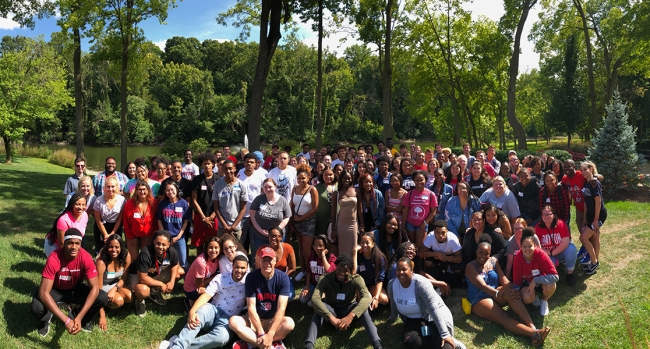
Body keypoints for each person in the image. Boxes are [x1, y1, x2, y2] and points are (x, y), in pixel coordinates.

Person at [465, 235, 550, 345]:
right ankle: (535, 334)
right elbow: (483, 286)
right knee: (503, 317)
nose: (483, 256)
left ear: (490, 253)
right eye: (480, 252)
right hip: (479, 299)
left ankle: (532, 326)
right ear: (476, 251)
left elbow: (504, 280)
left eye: (486, 253)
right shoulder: (470, 266)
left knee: (512, 293)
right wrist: (502, 295)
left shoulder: (492, 262)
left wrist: (514, 290)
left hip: (495, 293)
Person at [159, 255, 249, 349]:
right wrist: (192, 311)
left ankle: (176, 344)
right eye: (237, 267)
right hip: (213, 310)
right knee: (199, 315)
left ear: (247, 268)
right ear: (232, 266)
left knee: (222, 338)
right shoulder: (221, 277)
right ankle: (177, 347)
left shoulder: (249, 282)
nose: (239, 270)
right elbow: (206, 295)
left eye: (243, 268)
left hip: (228, 320)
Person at [32, 228, 109, 336]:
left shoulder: (86, 257)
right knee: (37, 307)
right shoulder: (54, 258)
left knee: (102, 297)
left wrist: (79, 317)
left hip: (74, 288)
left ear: (80, 244)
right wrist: (66, 321)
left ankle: (79, 317)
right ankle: (46, 319)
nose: (74, 247)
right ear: (64, 243)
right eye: (70, 243)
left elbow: (95, 288)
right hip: (56, 289)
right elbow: (43, 293)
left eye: (77, 243)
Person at [305, 254, 382, 349]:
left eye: (345, 271)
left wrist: (351, 315)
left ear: (350, 271)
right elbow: (315, 298)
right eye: (339, 269)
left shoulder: (356, 279)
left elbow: (366, 297)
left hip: (349, 310)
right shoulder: (325, 278)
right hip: (332, 310)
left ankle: (377, 344)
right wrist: (331, 318)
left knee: (363, 309)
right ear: (335, 267)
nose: (341, 273)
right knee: (319, 308)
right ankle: (309, 345)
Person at [387, 258, 465, 349]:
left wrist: (445, 334)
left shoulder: (421, 284)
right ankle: (434, 338)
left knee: (445, 345)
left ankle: (452, 341)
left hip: (433, 316)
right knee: (411, 341)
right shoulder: (392, 285)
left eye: (404, 269)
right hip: (413, 320)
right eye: (398, 270)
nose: (401, 273)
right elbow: (393, 302)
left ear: (412, 270)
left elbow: (433, 308)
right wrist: (393, 317)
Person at [229, 247, 295, 349]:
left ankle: (251, 342)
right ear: (259, 261)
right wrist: (260, 333)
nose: (267, 263)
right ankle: (271, 344)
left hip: (273, 320)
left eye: (270, 260)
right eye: (264, 260)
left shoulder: (283, 278)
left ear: (275, 261)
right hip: (254, 319)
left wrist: (270, 333)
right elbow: (251, 307)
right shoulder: (251, 277)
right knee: (233, 322)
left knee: (289, 323)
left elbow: (281, 308)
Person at [129, 230, 181, 317]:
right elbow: (142, 278)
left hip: (154, 273)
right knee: (143, 290)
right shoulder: (145, 254)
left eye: (164, 244)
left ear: (168, 244)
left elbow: (175, 265)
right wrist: (161, 284)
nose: (160, 247)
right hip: (137, 276)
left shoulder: (172, 252)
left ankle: (154, 292)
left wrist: (172, 281)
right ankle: (139, 301)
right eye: (158, 243)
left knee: (180, 273)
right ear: (153, 242)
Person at [512, 229, 559, 316]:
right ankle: (534, 298)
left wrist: (536, 280)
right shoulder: (518, 258)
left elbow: (555, 277)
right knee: (527, 298)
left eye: (530, 246)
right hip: (527, 283)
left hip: (541, 281)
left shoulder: (541, 254)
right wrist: (516, 292)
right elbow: (517, 279)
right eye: (524, 246)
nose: (527, 249)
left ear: (535, 245)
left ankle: (544, 301)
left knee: (551, 285)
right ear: (520, 246)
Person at [96, 234, 132, 332]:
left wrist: (115, 288)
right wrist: (102, 316)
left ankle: (112, 298)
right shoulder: (102, 262)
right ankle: (104, 307)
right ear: (107, 247)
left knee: (129, 296)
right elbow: (97, 291)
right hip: (101, 286)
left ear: (121, 247)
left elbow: (124, 277)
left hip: (115, 284)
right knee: (119, 301)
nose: (114, 250)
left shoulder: (126, 256)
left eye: (117, 247)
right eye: (111, 247)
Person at [290, 164, 319, 282]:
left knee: (307, 250)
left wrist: (300, 219)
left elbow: (315, 209)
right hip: (296, 221)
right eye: (299, 178)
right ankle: (302, 270)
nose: (301, 180)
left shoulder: (312, 189)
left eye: (303, 178)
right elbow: (292, 204)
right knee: (300, 248)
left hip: (308, 222)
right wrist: (292, 218)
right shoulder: (294, 189)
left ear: (309, 177)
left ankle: (310, 272)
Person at [250, 178, 292, 254]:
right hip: (261, 236)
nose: (268, 189)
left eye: (270, 187)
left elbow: (287, 217)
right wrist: (260, 230)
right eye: (265, 187)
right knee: (262, 256)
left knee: (277, 256)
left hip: (277, 237)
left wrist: (277, 230)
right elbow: (252, 216)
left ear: (275, 186)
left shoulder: (282, 200)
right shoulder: (258, 199)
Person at [579, 161, 607, 274]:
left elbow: (598, 202)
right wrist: (585, 217)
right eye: (582, 170)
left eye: (585, 169)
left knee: (583, 238)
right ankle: (594, 262)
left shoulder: (594, 183)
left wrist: (596, 220)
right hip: (590, 215)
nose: (583, 172)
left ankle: (594, 262)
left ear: (591, 169)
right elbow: (586, 202)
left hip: (599, 214)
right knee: (595, 237)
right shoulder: (586, 183)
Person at [157, 181, 192, 270]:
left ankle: (186, 282)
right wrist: (164, 235)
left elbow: (185, 221)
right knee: (165, 261)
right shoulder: (162, 203)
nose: (170, 192)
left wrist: (179, 236)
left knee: (183, 262)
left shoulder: (183, 203)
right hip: (166, 238)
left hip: (179, 237)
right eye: (167, 190)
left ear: (177, 190)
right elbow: (159, 220)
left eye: (172, 189)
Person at [255, 227, 297, 299]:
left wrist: (282, 280)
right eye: (271, 235)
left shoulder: (288, 248)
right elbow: (258, 269)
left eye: (276, 236)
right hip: (266, 278)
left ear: (281, 237)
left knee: (290, 296)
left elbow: (293, 269)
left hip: (284, 277)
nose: (273, 238)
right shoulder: (261, 249)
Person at [238, 153, 267, 255]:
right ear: (244, 163)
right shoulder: (239, 174)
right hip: (242, 214)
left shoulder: (261, 176)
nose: (249, 164)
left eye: (251, 162)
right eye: (247, 162)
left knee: (255, 241)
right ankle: (243, 262)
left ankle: (255, 263)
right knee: (242, 241)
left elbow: (263, 194)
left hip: (256, 214)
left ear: (255, 164)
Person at [191, 152, 219, 256]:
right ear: (201, 165)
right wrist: (203, 217)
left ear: (213, 164)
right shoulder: (197, 180)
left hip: (214, 215)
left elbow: (220, 201)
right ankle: (199, 260)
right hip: (200, 215)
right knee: (199, 242)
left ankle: (214, 261)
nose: (206, 165)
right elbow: (194, 200)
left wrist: (211, 217)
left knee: (214, 240)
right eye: (204, 163)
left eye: (209, 163)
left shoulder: (218, 180)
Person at [212, 159, 248, 240]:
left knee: (236, 250)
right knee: (222, 250)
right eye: (226, 169)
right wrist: (225, 226)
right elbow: (216, 208)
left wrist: (233, 226)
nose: (228, 171)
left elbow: (243, 208)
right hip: (222, 227)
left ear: (234, 169)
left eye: (230, 168)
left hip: (236, 226)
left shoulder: (241, 185)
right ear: (223, 170)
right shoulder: (217, 185)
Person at [123, 179, 158, 261]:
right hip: (132, 235)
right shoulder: (130, 203)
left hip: (148, 235)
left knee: (146, 257)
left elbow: (156, 219)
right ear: (136, 191)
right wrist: (130, 237)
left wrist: (153, 233)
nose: (142, 192)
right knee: (134, 259)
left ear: (148, 190)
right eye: (140, 190)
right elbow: (126, 221)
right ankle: (132, 273)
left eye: (144, 189)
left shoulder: (154, 203)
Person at [420, 220, 462, 287]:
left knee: (458, 269)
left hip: (450, 256)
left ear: (447, 231)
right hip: (435, 255)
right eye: (437, 232)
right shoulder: (430, 236)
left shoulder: (453, 239)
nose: (440, 235)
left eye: (443, 233)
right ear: (434, 232)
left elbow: (459, 258)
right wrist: (437, 254)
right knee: (427, 263)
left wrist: (445, 258)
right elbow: (421, 253)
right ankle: (436, 271)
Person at [353, 233, 389, 309]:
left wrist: (376, 297)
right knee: (367, 299)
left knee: (384, 299)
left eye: (367, 242)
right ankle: (364, 305)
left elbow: (380, 279)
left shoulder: (379, 258)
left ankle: (371, 301)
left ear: (373, 244)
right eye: (362, 242)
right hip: (359, 286)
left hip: (372, 285)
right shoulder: (357, 256)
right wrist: (354, 252)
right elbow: (353, 273)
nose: (364, 245)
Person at [183, 237, 220, 310]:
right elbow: (198, 284)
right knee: (213, 295)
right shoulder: (201, 263)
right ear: (206, 248)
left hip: (205, 282)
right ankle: (190, 301)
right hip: (193, 288)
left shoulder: (218, 258)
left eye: (216, 247)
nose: (213, 250)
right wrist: (214, 277)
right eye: (210, 247)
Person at [299, 235, 336, 305]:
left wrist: (323, 256)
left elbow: (329, 270)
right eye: (315, 245)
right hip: (314, 284)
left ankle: (320, 299)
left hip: (326, 287)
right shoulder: (311, 255)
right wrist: (307, 287)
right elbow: (309, 272)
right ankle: (314, 298)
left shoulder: (332, 257)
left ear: (326, 246)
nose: (317, 248)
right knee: (303, 299)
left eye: (320, 245)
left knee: (315, 303)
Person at [93, 176, 126, 254]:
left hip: (115, 227)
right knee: (101, 251)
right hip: (101, 227)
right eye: (108, 186)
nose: (110, 189)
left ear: (116, 187)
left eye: (113, 186)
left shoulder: (122, 200)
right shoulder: (98, 200)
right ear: (104, 188)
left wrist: (112, 234)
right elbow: (98, 220)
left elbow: (119, 219)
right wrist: (105, 235)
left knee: (115, 250)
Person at [330, 169, 359, 258]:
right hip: (341, 224)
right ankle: (343, 268)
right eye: (344, 178)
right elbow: (334, 212)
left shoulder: (356, 191)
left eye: (349, 178)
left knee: (354, 248)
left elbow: (360, 209)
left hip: (353, 223)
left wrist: (362, 225)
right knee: (342, 248)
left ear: (352, 179)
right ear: (341, 179)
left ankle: (353, 269)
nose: (346, 180)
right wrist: (333, 229)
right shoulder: (336, 193)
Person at [314, 166, 336, 242]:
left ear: (334, 175)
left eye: (330, 174)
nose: (328, 177)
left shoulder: (339, 186)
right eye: (325, 174)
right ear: (322, 175)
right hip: (321, 220)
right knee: (322, 241)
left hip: (336, 219)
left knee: (334, 241)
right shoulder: (316, 187)